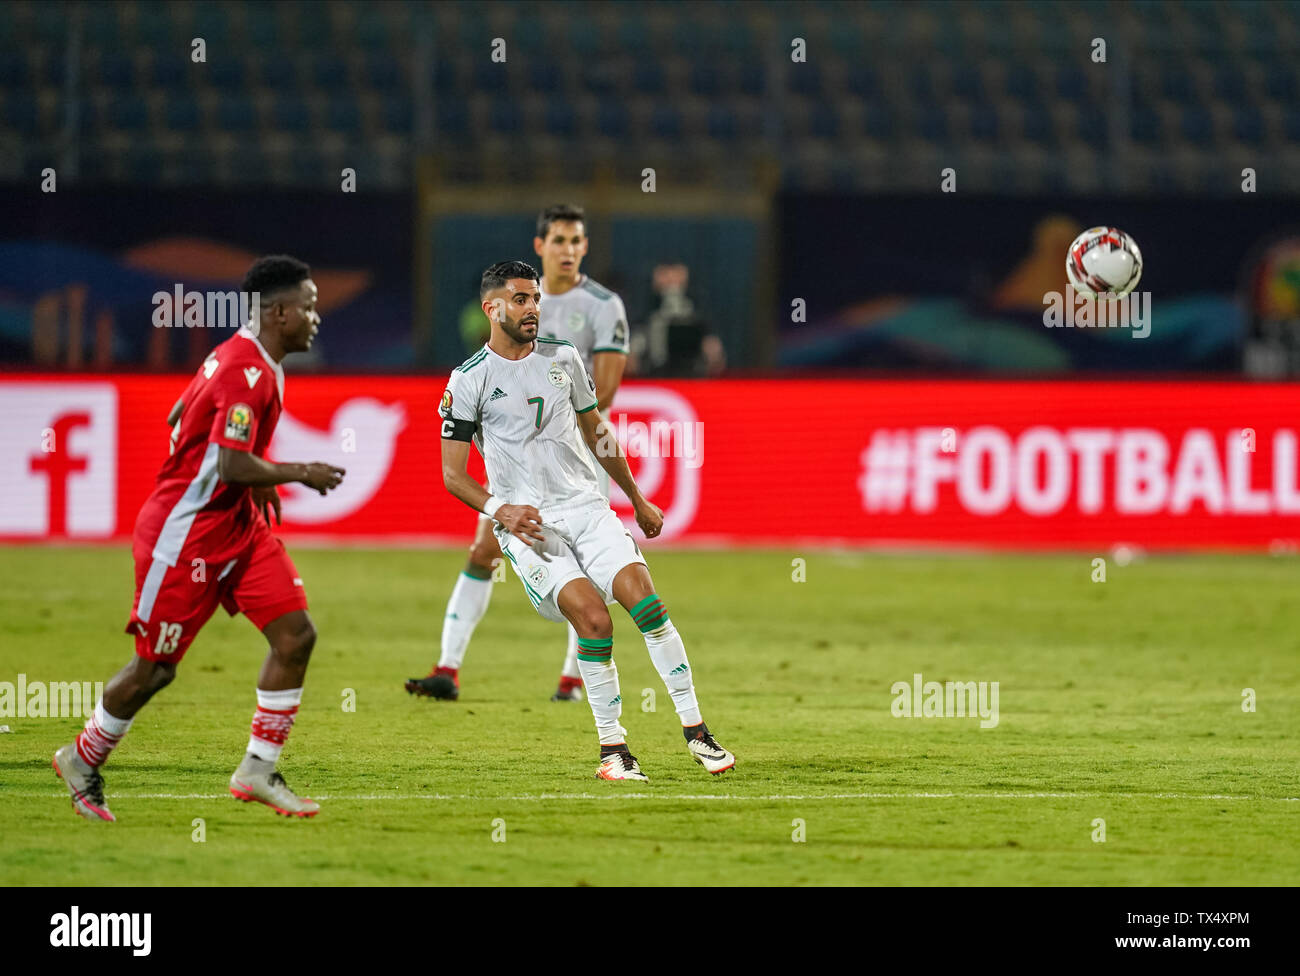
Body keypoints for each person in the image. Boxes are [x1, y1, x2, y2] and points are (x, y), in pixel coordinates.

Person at [52, 255, 347, 822]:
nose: (316, 318)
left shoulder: (243, 353)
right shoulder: (246, 371)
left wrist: (249, 474)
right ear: (279, 312)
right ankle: (82, 757)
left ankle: (258, 769)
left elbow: (178, 413)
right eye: (308, 308)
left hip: (238, 528)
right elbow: (232, 464)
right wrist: (296, 471)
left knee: (296, 636)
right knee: (155, 669)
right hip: (184, 536)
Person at [437, 260, 734, 780]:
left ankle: (698, 734)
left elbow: (597, 432)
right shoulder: (469, 381)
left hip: (588, 509)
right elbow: (452, 474)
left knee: (648, 603)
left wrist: (637, 499)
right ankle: (613, 751)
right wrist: (499, 510)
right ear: (492, 308)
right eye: (521, 299)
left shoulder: (564, 357)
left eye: (535, 299)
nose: (533, 308)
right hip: (531, 527)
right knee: (594, 621)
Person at [406, 204, 630, 703]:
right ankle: (448, 667)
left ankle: (572, 679)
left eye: (576, 241)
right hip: (516, 464)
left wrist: (555, 419)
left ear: (585, 247)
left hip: (573, 459)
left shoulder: (603, 305)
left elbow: (603, 393)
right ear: (540, 246)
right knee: (484, 550)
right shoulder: (517, 294)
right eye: (559, 241)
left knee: (584, 563)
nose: (567, 250)